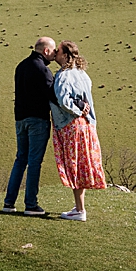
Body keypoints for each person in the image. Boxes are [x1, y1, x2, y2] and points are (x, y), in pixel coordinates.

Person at [48, 40, 106, 221]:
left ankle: (80, 210)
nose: (55, 54)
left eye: (58, 52)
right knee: (81, 163)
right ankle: (79, 207)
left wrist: (76, 109)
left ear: (65, 56)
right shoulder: (83, 74)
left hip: (70, 124)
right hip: (86, 125)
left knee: (74, 164)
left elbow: (63, 100)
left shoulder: (63, 75)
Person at [3, 36, 57, 216]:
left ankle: (9, 202)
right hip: (38, 120)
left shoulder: (21, 66)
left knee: (20, 160)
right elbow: (53, 96)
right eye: (53, 51)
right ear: (46, 51)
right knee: (34, 162)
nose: (55, 54)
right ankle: (31, 204)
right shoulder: (43, 70)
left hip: (20, 119)